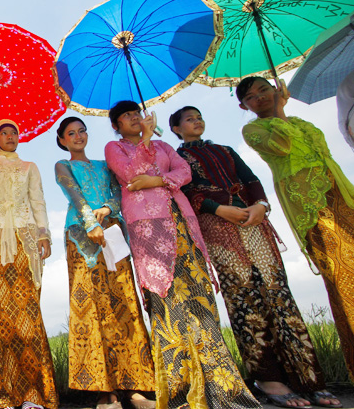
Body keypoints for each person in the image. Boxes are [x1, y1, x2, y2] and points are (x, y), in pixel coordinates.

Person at [171, 105, 341, 408]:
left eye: (199, 116)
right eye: (189, 119)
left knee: (278, 293)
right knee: (243, 297)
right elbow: (189, 190)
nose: (196, 121)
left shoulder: (224, 149)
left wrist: (261, 205)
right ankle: (269, 380)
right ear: (175, 128)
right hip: (217, 225)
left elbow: (251, 181)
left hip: (253, 221)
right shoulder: (178, 158)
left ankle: (309, 380)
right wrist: (218, 208)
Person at [104, 101, 260, 409]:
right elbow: (131, 175)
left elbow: (184, 172)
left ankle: (223, 391)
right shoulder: (114, 148)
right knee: (166, 302)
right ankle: (181, 395)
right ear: (116, 125)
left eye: (137, 113)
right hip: (149, 230)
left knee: (200, 299)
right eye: (127, 116)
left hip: (182, 224)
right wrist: (147, 143)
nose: (135, 118)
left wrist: (159, 180)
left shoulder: (164, 145)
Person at [238, 76, 354, 392]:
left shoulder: (303, 123)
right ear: (243, 106)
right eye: (251, 96)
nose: (259, 96)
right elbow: (282, 146)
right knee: (345, 279)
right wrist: (278, 110)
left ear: (276, 89)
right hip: (311, 207)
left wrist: (284, 110)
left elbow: (325, 154)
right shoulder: (253, 130)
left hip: (342, 196)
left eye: (265, 89)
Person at [54, 117, 155, 409]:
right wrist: (90, 222)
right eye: (71, 133)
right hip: (81, 237)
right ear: (62, 140)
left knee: (123, 302)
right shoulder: (63, 165)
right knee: (91, 305)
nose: (78, 136)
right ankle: (103, 391)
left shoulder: (104, 165)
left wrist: (107, 209)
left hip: (113, 233)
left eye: (82, 131)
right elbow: (74, 195)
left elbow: (116, 193)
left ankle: (134, 387)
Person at [0, 119, 58, 409]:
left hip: (25, 238)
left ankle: (32, 394)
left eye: (14, 132)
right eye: (3, 133)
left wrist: (44, 235)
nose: (10, 136)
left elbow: (38, 201)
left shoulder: (29, 166)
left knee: (28, 309)